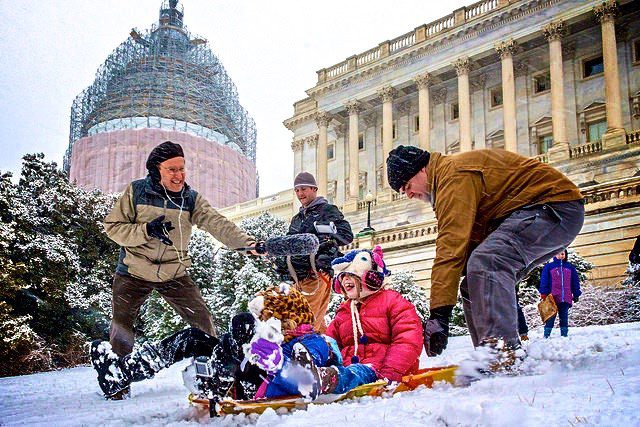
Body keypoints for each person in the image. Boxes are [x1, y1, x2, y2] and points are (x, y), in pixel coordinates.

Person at [385, 145, 584, 366]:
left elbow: (450, 246)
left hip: (554, 207)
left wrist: (439, 313)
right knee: (473, 282)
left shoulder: (452, 175)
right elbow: (464, 247)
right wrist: (447, 297)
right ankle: (488, 355)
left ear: (421, 169)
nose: (409, 195)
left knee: (487, 261)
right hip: (538, 213)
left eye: (407, 186)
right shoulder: (446, 180)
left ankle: (502, 353)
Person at [103, 140, 259, 395]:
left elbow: (217, 223)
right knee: (122, 326)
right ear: (156, 170)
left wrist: (248, 244)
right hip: (134, 271)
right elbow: (113, 227)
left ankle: (215, 376)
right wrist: (146, 230)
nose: (179, 175)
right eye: (171, 170)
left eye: (182, 169)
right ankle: (118, 381)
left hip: (174, 273)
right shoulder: (136, 192)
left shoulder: (190, 198)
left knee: (202, 322)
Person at [326, 246, 424, 382]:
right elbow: (330, 343)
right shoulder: (344, 311)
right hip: (348, 369)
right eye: (343, 277)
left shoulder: (392, 301)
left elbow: (407, 339)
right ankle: (310, 378)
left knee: (355, 373)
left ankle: (328, 380)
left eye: (351, 275)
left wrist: (390, 373)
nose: (345, 280)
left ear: (372, 278)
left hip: (381, 369)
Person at [275, 171, 353, 333]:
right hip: (297, 275)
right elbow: (290, 244)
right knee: (309, 320)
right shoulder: (297, 218)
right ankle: (327, 352)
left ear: (314, 189)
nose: (300, 193)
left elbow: (346, 235)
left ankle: (308, 352)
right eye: (297, 190)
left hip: (316, 273)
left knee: (304, 321)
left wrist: (326, 241)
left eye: (303, 189)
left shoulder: (327, 210)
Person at [539, 249, 582, 338]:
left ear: (565, 255)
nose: (561, 256)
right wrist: (543, 293)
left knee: (564, 317)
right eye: (558, 254)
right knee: (550, 317)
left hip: (565, 297)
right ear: (554, 255)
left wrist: (576, 293)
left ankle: (564, 335)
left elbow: (575, 282)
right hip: (552, 297)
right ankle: (546, 335)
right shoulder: (549, 267)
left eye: (563, 254)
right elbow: (544, 281)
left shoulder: (570, 267)